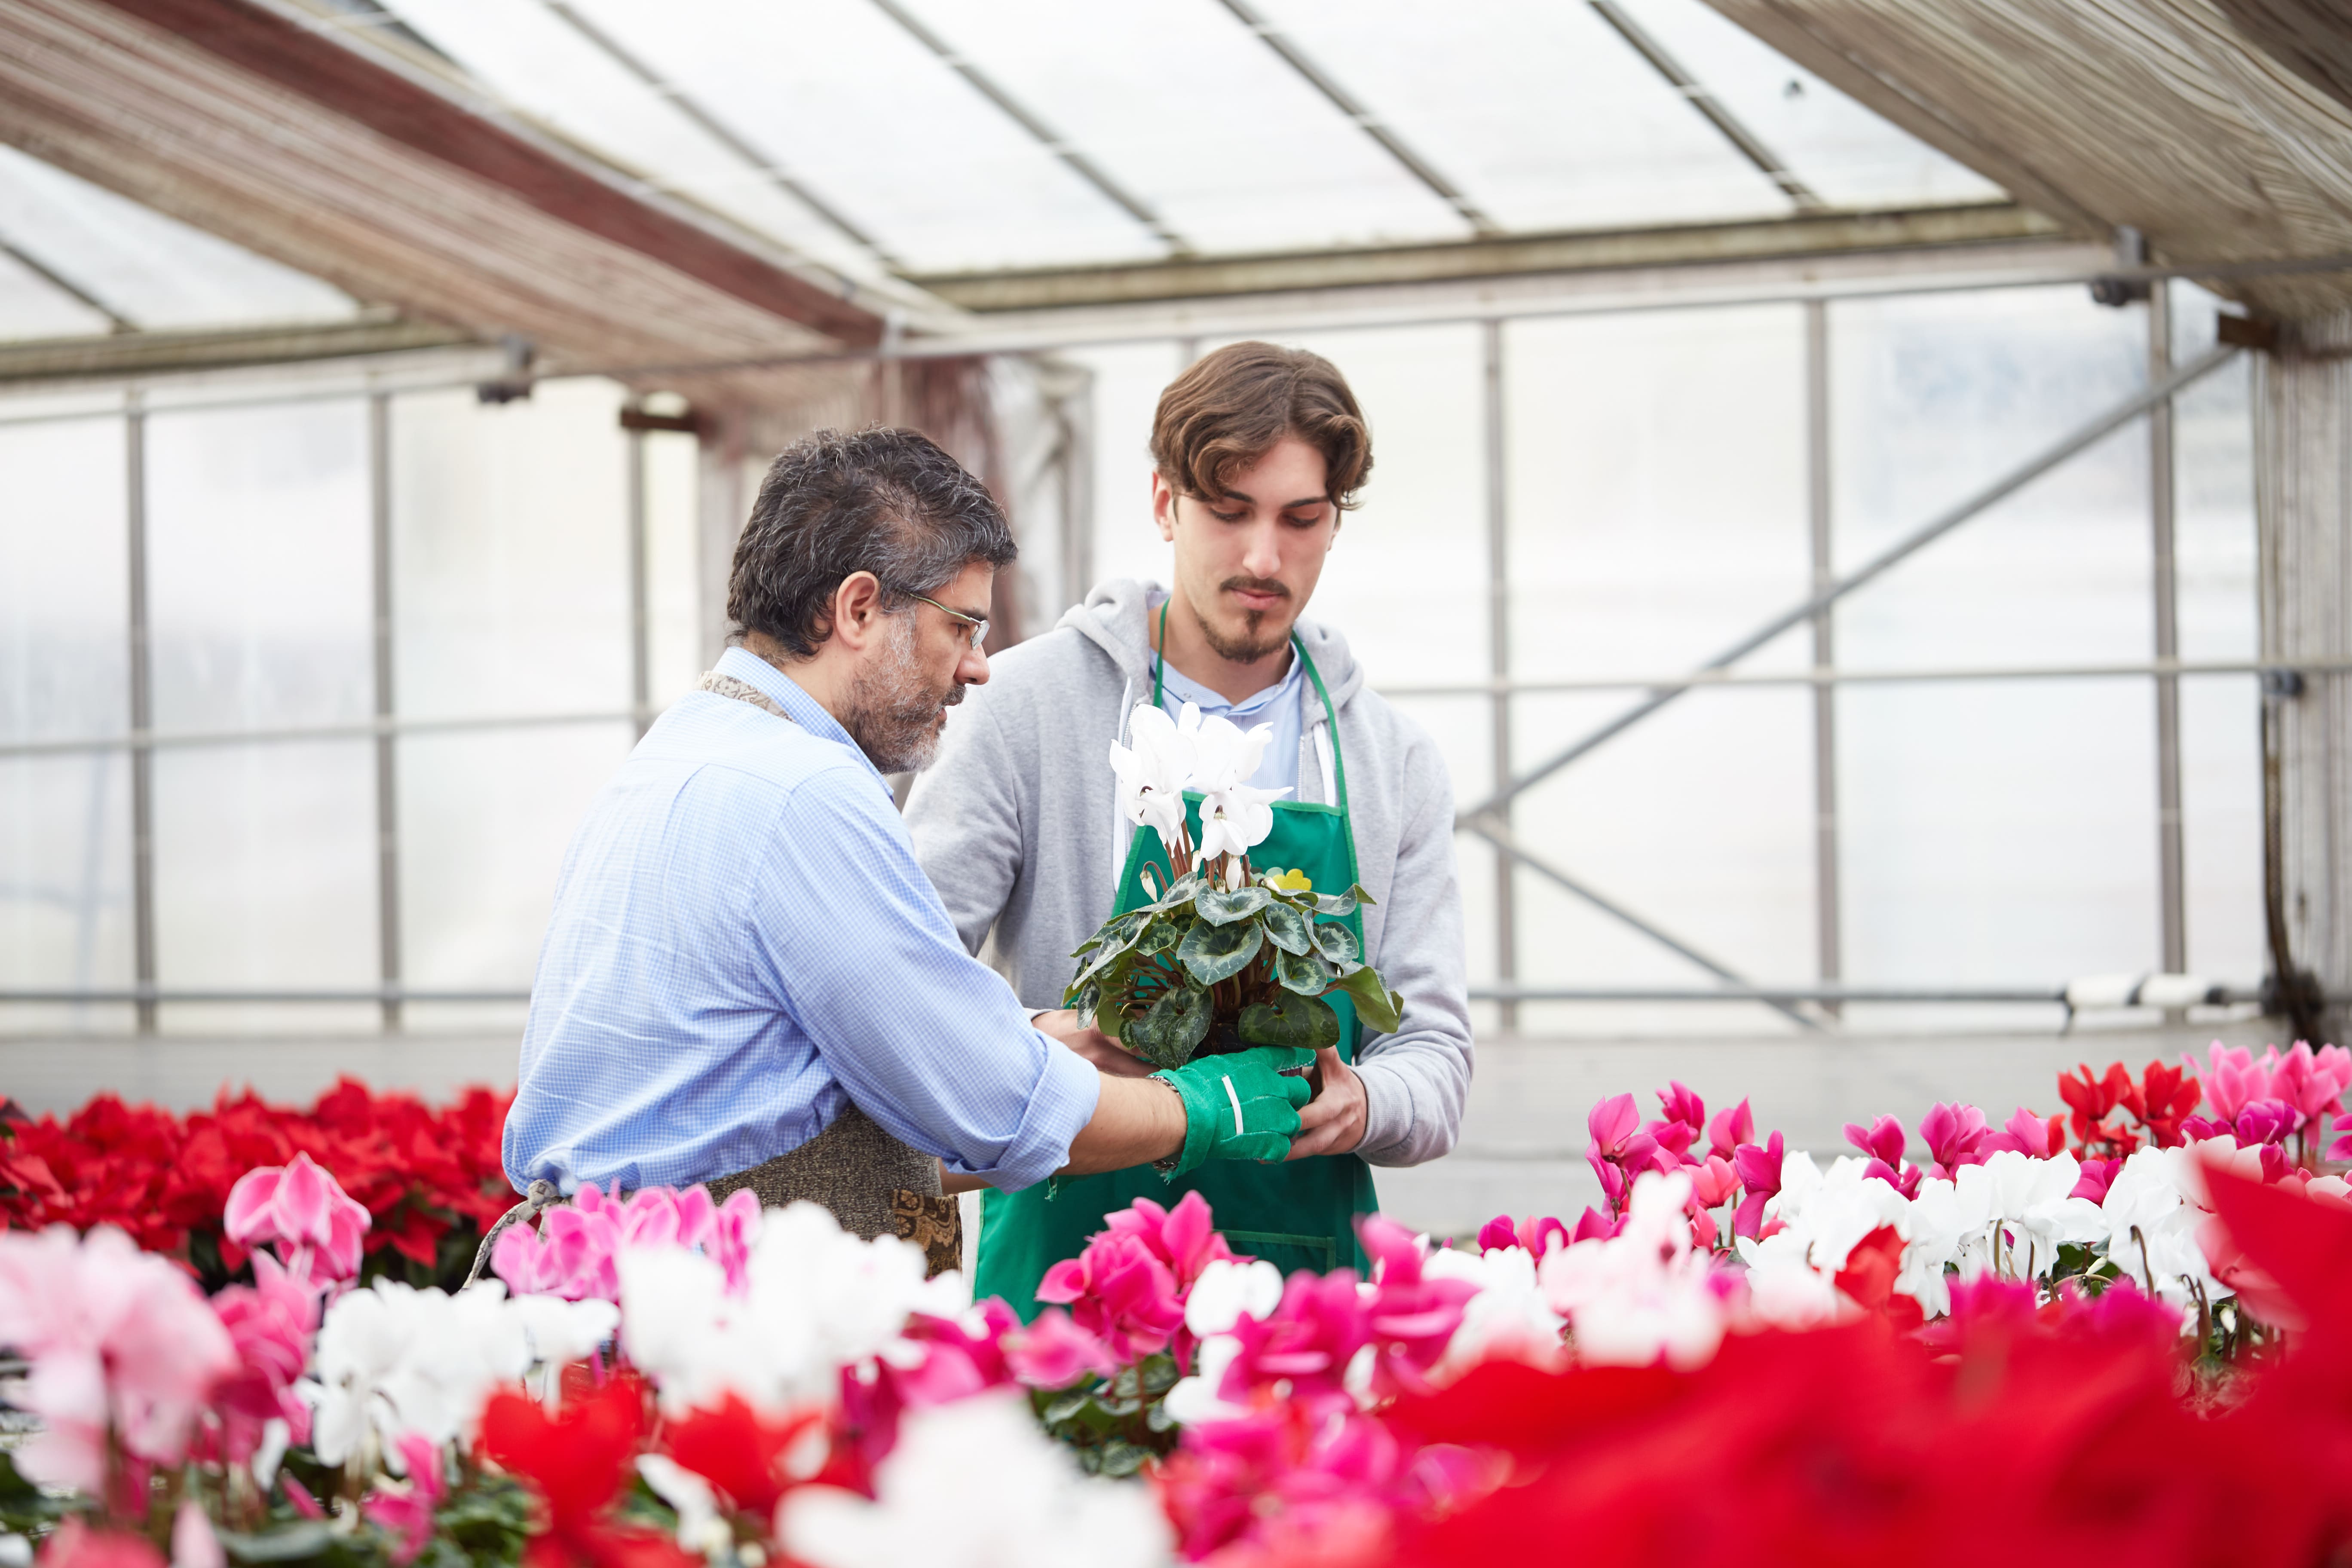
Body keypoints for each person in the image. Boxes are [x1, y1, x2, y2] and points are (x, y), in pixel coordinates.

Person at [502, 427, 1312, 1270]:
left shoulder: (685, 753)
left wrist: (1081, 1038)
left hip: (605, 1292)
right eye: (962, 627)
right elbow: (993, 1106)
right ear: (858, 609)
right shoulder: (804, 795)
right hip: (710, 1318)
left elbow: (826, 1082)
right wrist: (1208, 1107)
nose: (978, 668)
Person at [905, 343, 1472, 1310]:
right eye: (1228, 512)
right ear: (1165, 503)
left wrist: (1365, 1102)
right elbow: (903, 992)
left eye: (1302, 520)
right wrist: (1052, 1039)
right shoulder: (1029, 708)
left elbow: (1436, 1059)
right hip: (1072, 1272)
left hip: (1300, 1293)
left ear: (1335, 522)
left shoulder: (1392, 761)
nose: (1264, 558)